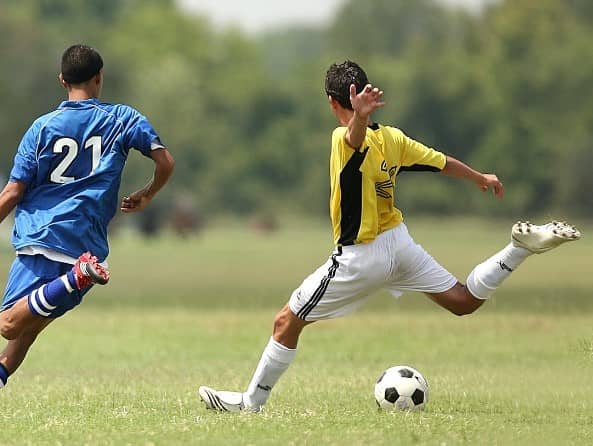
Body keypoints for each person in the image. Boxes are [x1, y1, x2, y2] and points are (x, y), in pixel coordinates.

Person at [198, 60, 581, 412]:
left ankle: (252, 403)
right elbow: (440, 161)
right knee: (463, 300)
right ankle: (517, 249)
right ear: (363, 94)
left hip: (360, 256)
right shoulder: (393, 138)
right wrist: (480, 176)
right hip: (399, 243)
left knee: (286, 322)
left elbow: (352, 139)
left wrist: (357, 119)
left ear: (333, 103)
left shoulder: (341, 137)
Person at [0, 44, 175, 412]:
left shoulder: (41, 128)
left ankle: (75, 278)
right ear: (100, 77)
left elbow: (13, 190)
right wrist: (147, 194)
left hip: (42, 238)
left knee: (9, 324)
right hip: (85, 243)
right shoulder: (123, 118)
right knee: (22, 338)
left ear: (61, 80)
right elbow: (165, 161)